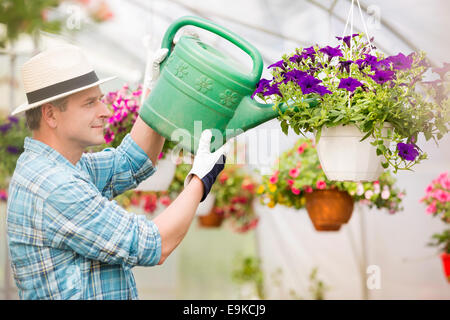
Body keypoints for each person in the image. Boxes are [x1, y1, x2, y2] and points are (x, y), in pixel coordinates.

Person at [6, 44, 227, 300]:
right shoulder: (55, 185)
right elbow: (154, 244)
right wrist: (201, 178)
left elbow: (131, 162)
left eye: (100, 99)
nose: (105, 111)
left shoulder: (57, 165)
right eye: (90, 103)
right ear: (51, 115)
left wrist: (160, 94)